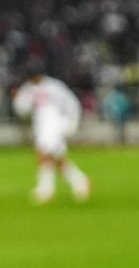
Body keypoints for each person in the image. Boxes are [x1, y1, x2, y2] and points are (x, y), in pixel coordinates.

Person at [12, 67, 90, 203]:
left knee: (43, 154)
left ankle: (46, 190)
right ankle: (80, 181)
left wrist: (73, 122)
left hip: (56, 122)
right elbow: (23, 110)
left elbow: (71, 103)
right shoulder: (28, 88)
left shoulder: (54, 86)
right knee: (55, 157)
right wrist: (17, 99)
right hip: (41, 125)